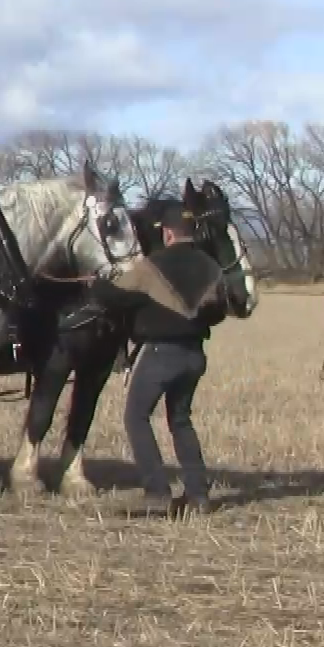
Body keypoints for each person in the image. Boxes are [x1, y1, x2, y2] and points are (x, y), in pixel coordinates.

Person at [86, 205, 229, 516]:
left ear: (166, 233)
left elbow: (112, 297)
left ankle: (157, 491)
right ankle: (198, 495)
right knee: (180, 420)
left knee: (136, 417)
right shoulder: (211, 267)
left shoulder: (151, 267)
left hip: (161, 354)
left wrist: (95, 281)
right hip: (194, 355)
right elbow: (218, 312)